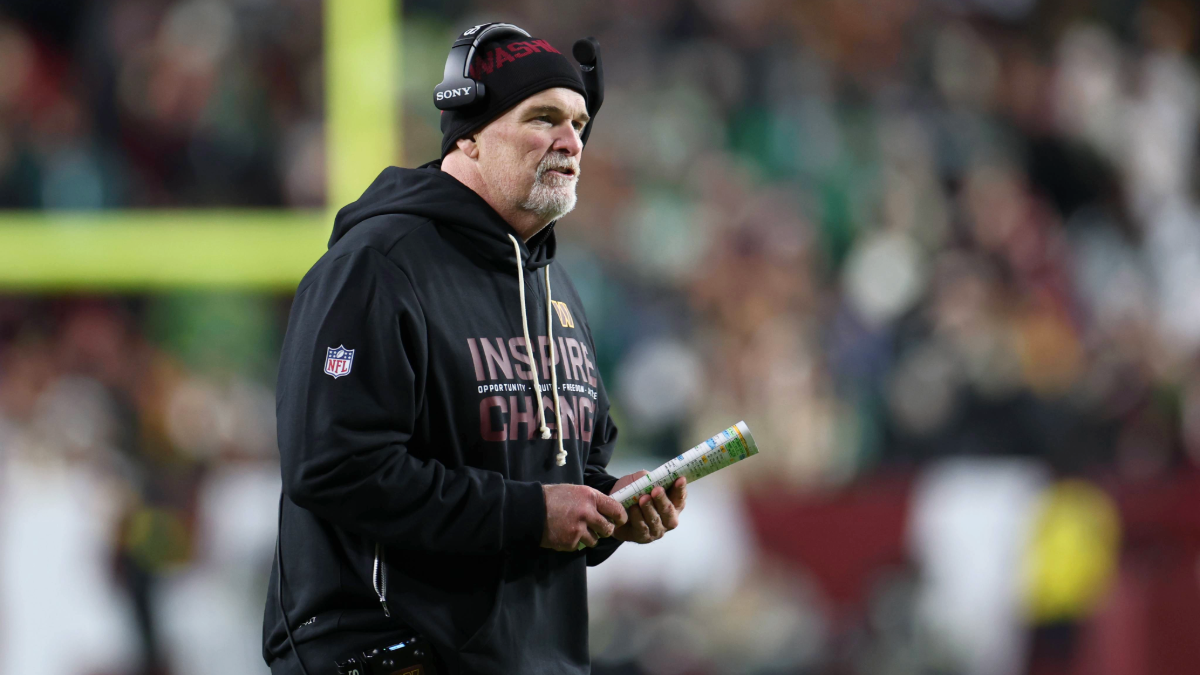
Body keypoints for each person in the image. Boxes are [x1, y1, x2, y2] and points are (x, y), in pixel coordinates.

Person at [263, 28, 687, 674]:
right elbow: (335, 467)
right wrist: (532, 514)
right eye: (542, 118)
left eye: (578, 124)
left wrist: (609, 506)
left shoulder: (556, 285)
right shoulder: (377, 265)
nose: (571, 141)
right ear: (468, 135)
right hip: (391, 654)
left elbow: (558, 474)